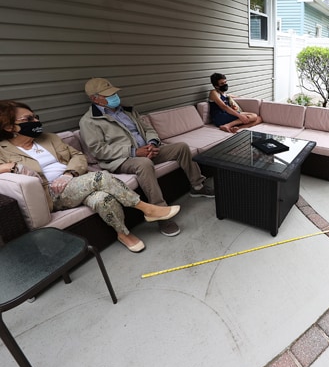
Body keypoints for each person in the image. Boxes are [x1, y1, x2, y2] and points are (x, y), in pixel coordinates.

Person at [0, 100, 180, 253]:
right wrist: (12, 166)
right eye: (28, 119)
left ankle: (123, 234)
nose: (36, 121)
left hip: (75, 181)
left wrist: (69, 173)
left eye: (36, 116)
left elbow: (78, 156)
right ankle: (147, 209)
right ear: (9, 127)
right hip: (51, 193)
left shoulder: (50, 138)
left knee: (103, 199)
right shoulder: (3, 149)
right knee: (101, 177)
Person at [79, 78, 213, 238]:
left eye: (114, 92)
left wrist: (152, 143)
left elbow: (148, 128)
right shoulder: (89, 121)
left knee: (181, 147)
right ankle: (160, 212)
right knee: (144, 164)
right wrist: (134, 152)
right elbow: (99, 150)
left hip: (147, 151)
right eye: (109, 94)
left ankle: (197, 186)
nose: (114, 96)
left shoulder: (127, 110)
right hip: (122, 159)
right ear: (94, 98)